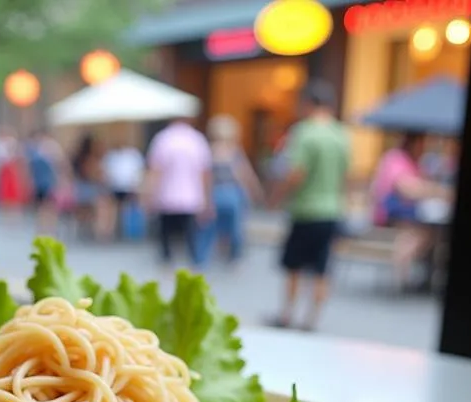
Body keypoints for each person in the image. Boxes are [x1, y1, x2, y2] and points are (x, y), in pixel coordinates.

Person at [270, 80, 351, 331]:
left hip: (306, 210)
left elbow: (297, 172)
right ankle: (311, 320)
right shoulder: (341, 135)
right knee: (321, 269)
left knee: (293, 266)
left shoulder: (304, 132)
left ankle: (287, 315)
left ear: (308, 104)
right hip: (332, 210)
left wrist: (276, 196)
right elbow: (345, 176)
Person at [371, 132, 452, 288]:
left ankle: (416, 276)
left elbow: (422, 185)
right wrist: (436, 190)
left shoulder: (414, 161)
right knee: (416, 234)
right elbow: (408, 188)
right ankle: (401, 277)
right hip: (394, 212)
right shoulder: (396, 158)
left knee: (430, 233)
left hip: (412, 213)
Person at [144, 117, 212, 267]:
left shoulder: (162, 139)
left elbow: (155, 170)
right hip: (191, 196)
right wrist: (207, 199)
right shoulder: (197, 139)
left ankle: (167, 262)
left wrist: (149, 194)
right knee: (190, 233)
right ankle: (195, 262)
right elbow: (205, 172)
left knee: (166, 233)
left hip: (166, 195)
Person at [206, 114, 264, 263]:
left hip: (214, 192)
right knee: (236, 227)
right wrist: (255, 191)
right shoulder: (234, 151)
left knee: (213, 226)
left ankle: (211, 253)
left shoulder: (210, 150)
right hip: (232, 192)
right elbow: (244, 174)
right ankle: (233, 255)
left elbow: (205, 177)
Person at [71, 134, 113, 241]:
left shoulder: (77, 158)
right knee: (104, 205)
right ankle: (102, 233)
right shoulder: (90, 160)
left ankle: (97, 230)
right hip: (88, 190)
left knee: (101, 205)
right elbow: (95, 176)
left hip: (79, 190)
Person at [24, 130, 65, 234]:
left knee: (46, 208)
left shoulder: (39, 151)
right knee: (45, 208)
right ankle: (45, 229)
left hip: (45, 184)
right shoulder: (38, 151)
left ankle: (46, 229)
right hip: (44, 184)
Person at [103, 141, 145, 239]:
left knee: (136, 204)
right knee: (107, 205)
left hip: (131, 188)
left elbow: (139, 173)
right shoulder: (111, 156)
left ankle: (134, 232)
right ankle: (107, 233)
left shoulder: (133, 155)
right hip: (115, 188)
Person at [0, 126, 26, 216]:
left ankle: (14, 214)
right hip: (5, 173)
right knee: (4, 194)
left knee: (14, 194)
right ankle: (6, 214)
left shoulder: (12, 144)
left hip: (12, 173)